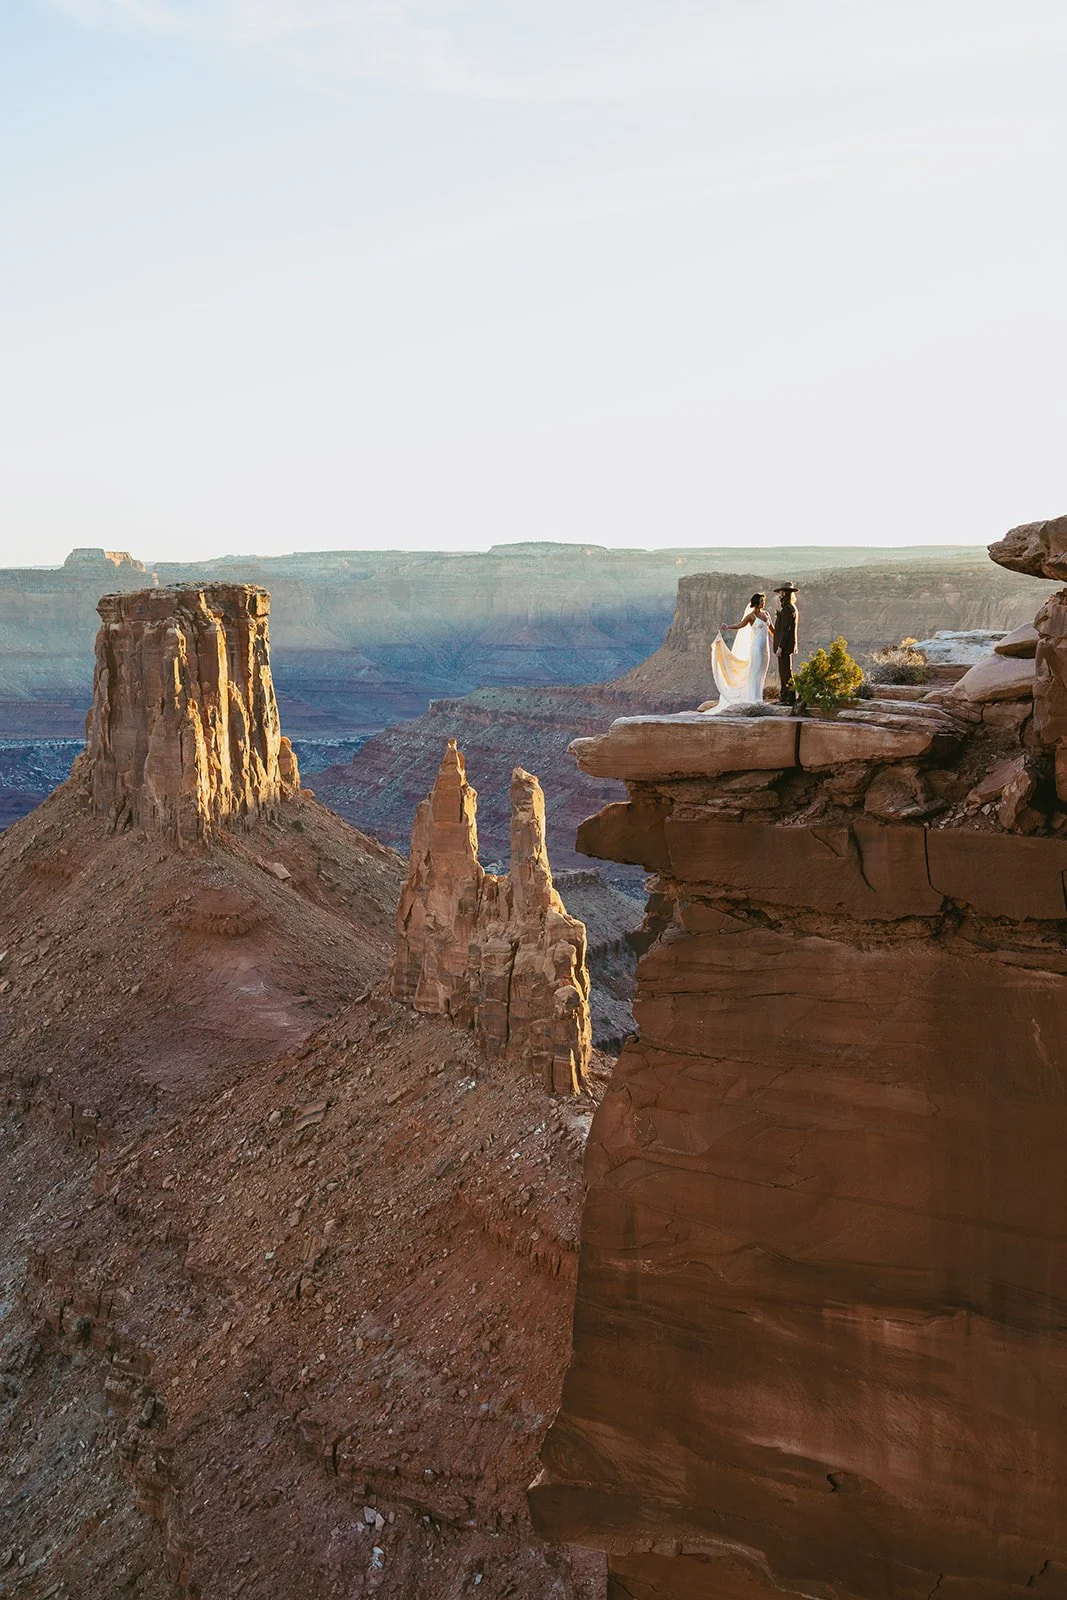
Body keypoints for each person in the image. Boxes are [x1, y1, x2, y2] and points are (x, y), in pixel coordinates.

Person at [703, 591, 774, 713]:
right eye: (761, 601)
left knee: (762, 670)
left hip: (765, 648)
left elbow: (772, 630)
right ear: (756, 602)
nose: (763, 603)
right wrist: (728, 627)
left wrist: (781, 641)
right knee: (755, 670)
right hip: (756, 647)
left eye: (764, 601)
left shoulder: (766, 614)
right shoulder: (751, 616)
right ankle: (753, 698)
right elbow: (740, 625)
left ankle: (759, 697)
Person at [772, 583, 799, 705]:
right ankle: (784, 697)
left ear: (785, 593)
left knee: (786, 672)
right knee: (784, 671)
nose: (779, 595)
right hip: (786, 646)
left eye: (781, 593)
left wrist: (780, 647)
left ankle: (790, 699)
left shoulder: (788, 609)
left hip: (785, 647)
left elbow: (786, 630)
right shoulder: (790, 607)